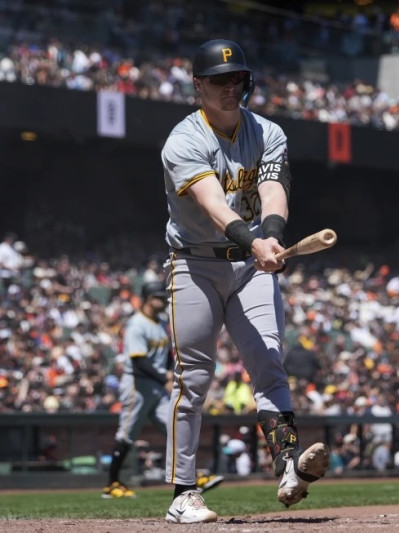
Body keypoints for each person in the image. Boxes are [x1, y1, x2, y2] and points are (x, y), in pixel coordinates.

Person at [160, 39, 330, 524]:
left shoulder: (267, 131)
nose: (230, 88)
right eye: (219, 81)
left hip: (251, 263)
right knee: (192, 379)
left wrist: (271, 237)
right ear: (198, 86)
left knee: (270, 361)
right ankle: (183, 494)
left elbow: (273, 188)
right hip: (194, 264)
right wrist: (253, 242)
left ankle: (288, 467)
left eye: (236, 79)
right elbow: (214, 204)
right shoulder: (184, 141)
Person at [102, 281, 224, 499]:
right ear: (149, 299)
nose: (162, 301)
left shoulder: (159, 323)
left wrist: (167, 374)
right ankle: (112, 484)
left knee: (174, 428)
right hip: (137, 385)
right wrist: (165, 377)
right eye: (159, 297)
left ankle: (193, 477)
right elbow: (138, 361)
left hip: (155, 387)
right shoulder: (136, 324)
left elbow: (167, 355)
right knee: (126, 434)